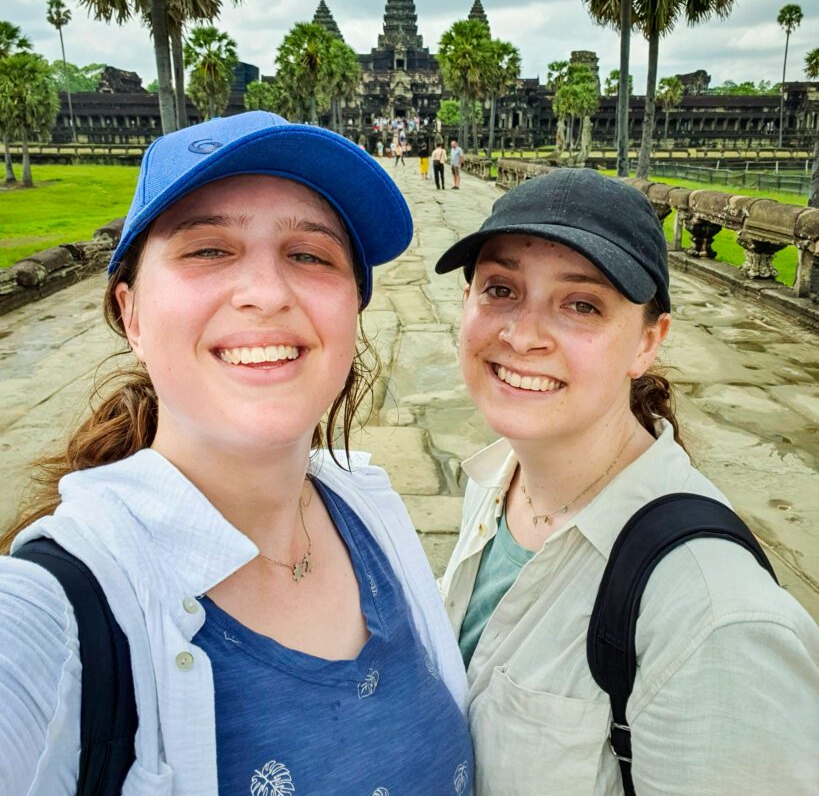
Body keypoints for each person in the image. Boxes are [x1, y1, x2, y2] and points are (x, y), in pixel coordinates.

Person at [0, 111, 472, 795]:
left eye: (309, 256)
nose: (267, 293)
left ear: (351, 313)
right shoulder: (52, 612)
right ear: (132, 314)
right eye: (208, 249)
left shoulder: (368, 510)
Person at [435, 168, 818, 796]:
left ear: (649, 341)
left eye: (581, 304)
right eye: (500, 289)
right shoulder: (497, 479)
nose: (522, 335)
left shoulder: (713, 619)